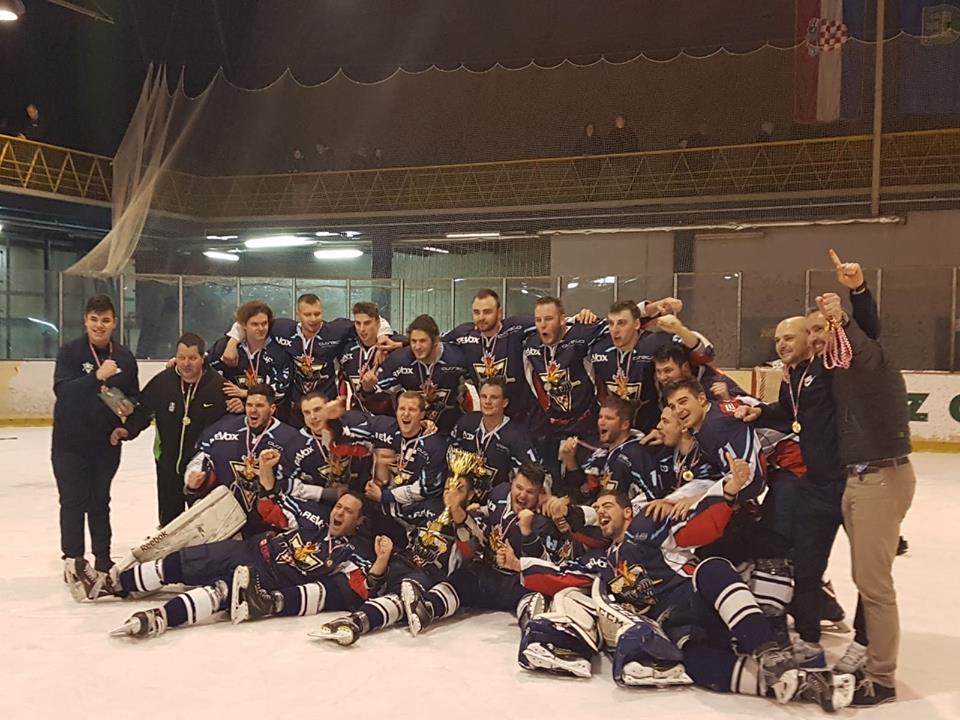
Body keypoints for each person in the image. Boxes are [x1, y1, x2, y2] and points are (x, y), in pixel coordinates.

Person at [515, 489, 855, 711]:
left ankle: (768, 651)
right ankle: (790, 684)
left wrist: (726, 493)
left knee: (711, 569)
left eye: (609, 505)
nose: (601, 512)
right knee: (696, 664)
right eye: (598, 508)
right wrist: (520, 566)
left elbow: (703, 527)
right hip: (678, 626)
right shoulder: (601, 563)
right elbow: (558, 577)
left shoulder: (649, 525)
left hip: (701, 600)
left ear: (628, 512)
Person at [79, 492, 390, 638]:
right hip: (246, 550)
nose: (339, 513)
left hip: (266, 576)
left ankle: (161, 618)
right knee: (183, 562)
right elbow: (269, 508)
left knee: (220, 594)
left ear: (359, 521)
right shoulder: (311, 520)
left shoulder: (354, 552)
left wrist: (381, 561)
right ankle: (113, 584)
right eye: (338, 506)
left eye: (348, 511)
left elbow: (360, 589)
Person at [815, 271, 914, 707]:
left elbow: (863, 341)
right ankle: (875, 665)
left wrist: (845, 313)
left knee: (875, 587)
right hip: (860, 477)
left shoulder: (872, 362)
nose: (825, 340)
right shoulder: (845, 371)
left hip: (879, 476)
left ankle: (882, 677)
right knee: (866, 578)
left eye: (828, 333)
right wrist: (856, 297)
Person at [400, 464, 557, 636]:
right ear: (511, 483)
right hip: (487, 576)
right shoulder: (499, 493)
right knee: (461, 577)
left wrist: (527, 535)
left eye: (530, 492)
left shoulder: (542, 520)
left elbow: (546, 566)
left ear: (539, 494)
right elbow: (485, 524)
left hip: (515, 584)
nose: (522, 495)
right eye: (519, 488)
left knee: (533, 594)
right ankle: (427, 609)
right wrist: (465, 510)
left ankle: (533, 627)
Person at [54, 295, 139, 591]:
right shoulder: (70, 352)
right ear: (86, 321)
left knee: (100, 501)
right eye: (94, 319)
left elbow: (134, 396)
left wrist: (127, 412)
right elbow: (64, 392)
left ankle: (103, 560)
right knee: (74, 501)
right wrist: (97, 378)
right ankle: (73, 559)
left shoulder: (125, 357)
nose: (99, 325)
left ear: (114, 322)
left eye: (105, 320)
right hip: (70, 443)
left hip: (105, 443)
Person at [219, 294, 395, 427]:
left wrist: (382, 336)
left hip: (326, 404)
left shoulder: (336, 329)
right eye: (307, 314)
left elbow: (373, 320)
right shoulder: (282, 329)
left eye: (317, 313)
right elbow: (250, 320)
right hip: (295, 406)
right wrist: (232, 342)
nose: (313, 319)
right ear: (298, 314)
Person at [116, 333, 227, 525]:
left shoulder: (217, 387)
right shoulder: (163, 382)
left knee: (201, 523)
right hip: (167, 465)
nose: (186, 363)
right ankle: (170, 556)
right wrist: (127, 431)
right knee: (169, 523)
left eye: (192, 358)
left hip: (201, 470)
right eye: (182, 358)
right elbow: (143, 411)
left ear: (203, 358)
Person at [183, 383, 302, 537]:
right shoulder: (222, 429)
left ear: (272, 409)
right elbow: (201, 457)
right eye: (249, 405)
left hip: (269, 524)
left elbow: (299, 482)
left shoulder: (291, 438)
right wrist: (192, 477)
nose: (253, 410)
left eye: (259, 405)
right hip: (227, 521)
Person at [590, 299, 713, 431]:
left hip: (655, 427)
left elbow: (705, 353)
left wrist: (680, 329)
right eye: (611, 323)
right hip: (619, 431)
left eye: (621, 323)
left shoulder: (654, 342)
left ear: (637, 324)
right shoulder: (599, 346)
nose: (615, 330)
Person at [362, 314, 474, 433]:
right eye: (413, 341)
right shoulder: (398, 360)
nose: (417, 347)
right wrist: (368, 388)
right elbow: (379, 398)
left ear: (435, 340)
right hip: (412, 433)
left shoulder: (457, 357)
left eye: (422, 341)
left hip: (449, 430)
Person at [444, 288, 540, 423]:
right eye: (476, 312)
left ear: (499, 312)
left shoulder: (515, 328)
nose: (481, 317)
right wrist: (404, 341)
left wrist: (579, 317)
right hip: (490, 418)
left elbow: (550, 322)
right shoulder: (464, 334)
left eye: (487, 312)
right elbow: (433, 342)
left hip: (524, 417)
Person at [558, 396, 673, 503]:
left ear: (624, 425)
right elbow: (585, 491)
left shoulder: (635, 453)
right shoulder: (604, 454)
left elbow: (654, 497)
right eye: (600, 417)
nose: (601, 422)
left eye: (609, 418)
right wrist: (569, 460)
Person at [450, 376, 542, 489]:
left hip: (499, 500)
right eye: (484, 396)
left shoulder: (517, 436)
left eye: (494, 397)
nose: (487, 402)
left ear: (504, 402)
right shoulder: (467, 422)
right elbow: (450, 453)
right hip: (465, 493)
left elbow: (533, 477)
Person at [208, 301, 292, 413]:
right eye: (255, 324)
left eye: (264, 323)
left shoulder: (278, 352)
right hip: (230, 412)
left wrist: (245, 394)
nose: (261, 328)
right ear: (243, 325)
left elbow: (280, 390)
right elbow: (206, 371)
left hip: (268, 415)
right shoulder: (224, 347)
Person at [338, 301, 402, 415]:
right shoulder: (347, 348)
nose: (362, 329)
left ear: (378, 323)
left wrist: (397, 345)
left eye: (367, 323)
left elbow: (417, 342)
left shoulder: (392, 343)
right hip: (357, 417)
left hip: (387, 419)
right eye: (358, 323)